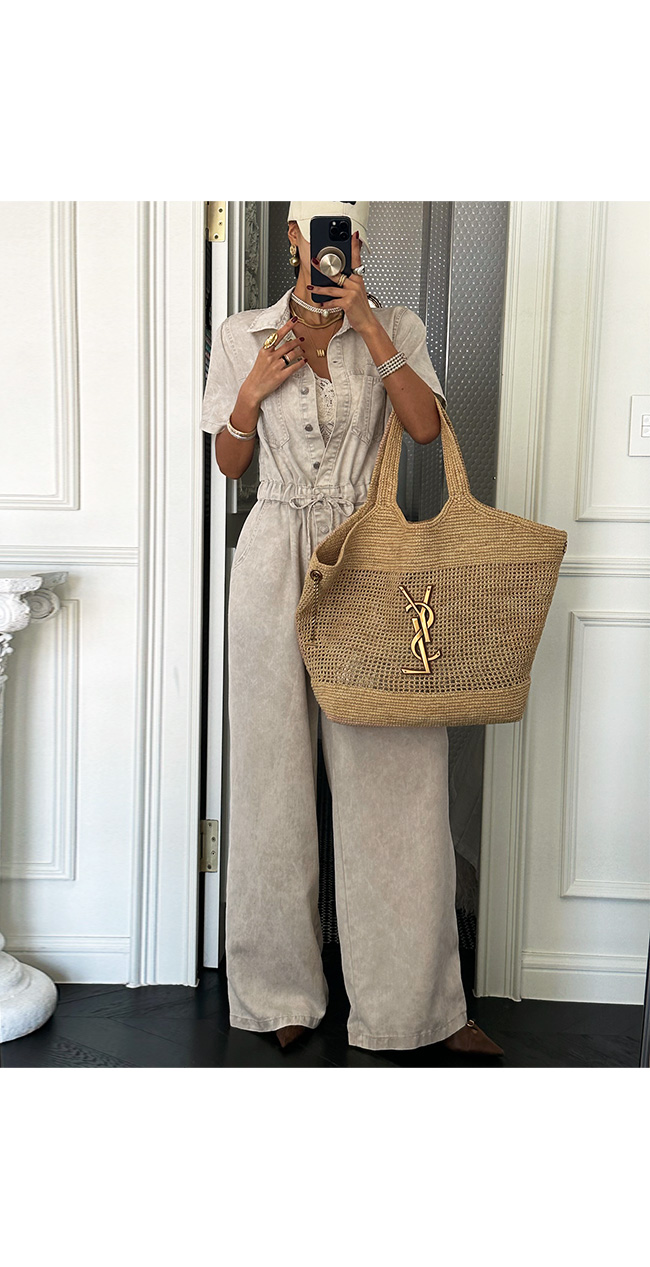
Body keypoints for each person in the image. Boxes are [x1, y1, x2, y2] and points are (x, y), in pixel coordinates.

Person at [201, 201, 503, 1058]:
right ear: (295, 238)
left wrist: (368, 324)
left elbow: (424, 430)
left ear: (359, 241)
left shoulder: (394, 323)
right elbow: (229, 461)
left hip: (369, 553)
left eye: (352, 231)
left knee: (397, 775)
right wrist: (252, 391)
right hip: (272, 557)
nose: (340, 244)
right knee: (270, 777)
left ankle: (415, 1006)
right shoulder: (241, 333)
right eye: (324, 228)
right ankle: (277, 991)